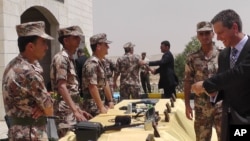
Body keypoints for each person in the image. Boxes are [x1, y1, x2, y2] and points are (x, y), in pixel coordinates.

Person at [191, 9, 250, 141]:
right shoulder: (224, 55)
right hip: (228, 120)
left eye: (220, 32)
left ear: (234, 27)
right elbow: (227, 85)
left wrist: (206, 84)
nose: (217, 38)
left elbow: (238, 74)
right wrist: (214, 93)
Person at [2, 21, 54, 141]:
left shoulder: (13, 65)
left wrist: (43, 106)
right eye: (43, 43)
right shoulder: (29, 73)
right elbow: (49, 110)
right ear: (30, 46)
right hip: (31, 134)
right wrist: (44, 107)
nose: (46, 47)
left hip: (17, 133)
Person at [50, 25, 92, 138]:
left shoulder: (70, 58)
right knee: (67, 138)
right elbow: (62, 87)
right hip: (64, 111)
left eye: (79, 37)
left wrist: (78, 109)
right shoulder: (61, 58)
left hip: (70, 108)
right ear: (66, 40)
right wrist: (75, 111)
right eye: (75, 38)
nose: (79, 40)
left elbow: (70, 88)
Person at [184, 21, 222, 141]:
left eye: (207, 33)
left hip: (220, 105)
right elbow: (187, 81)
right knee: (201, 138)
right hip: (201, 107)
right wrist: (186, 105)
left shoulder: (223, 54)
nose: (204, 36)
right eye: (201, 34)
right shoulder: (192, 57)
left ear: (213, 34)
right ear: (197, 36)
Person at [82, 33, 114, 116]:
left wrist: (110, 101)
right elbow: (92, 86)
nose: (108, 47)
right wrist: (101, 107)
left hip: (99, 105)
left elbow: (105, 82)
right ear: (98, 46)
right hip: (92, 107)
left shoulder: (101, 62)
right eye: (106, 44)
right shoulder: (91, 63)